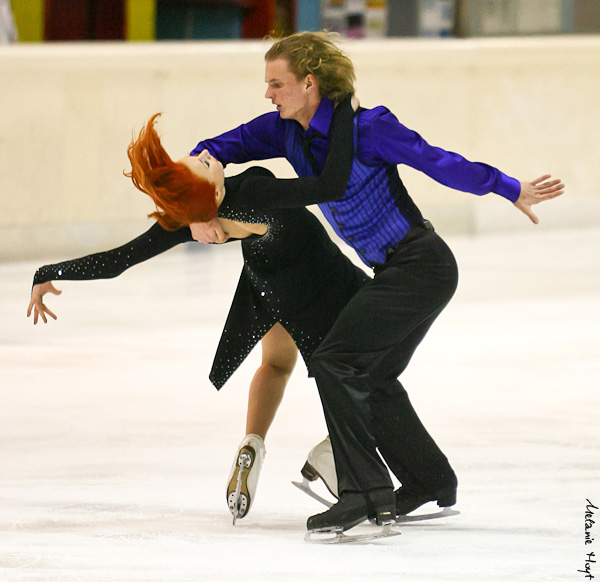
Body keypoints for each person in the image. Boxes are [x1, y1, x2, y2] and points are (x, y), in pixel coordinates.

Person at [187, 31, 565, 533]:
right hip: (393, 272)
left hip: (421, 265)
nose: (268, 93)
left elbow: (437, 161)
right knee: (370, 376)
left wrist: (507, 186)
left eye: (277, 83)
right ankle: (430, 481)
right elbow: (219, 145)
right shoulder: (282, 131)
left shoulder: (369, 128)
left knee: (335, 361)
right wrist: (196, 189)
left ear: (308, 82)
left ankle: (364, 493)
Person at [28, 100, 369, 522]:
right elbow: (324, 184)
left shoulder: (194, 216)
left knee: (277, 366)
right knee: (362, 364)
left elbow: (120, 260)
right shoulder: (255, 186)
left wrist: (49, 270)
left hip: (269, 285)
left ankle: (252, 445)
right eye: (204, 164)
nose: (208, 155)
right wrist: (342, 120)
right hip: (315, 280)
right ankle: (334, 454)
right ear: (213, 191)